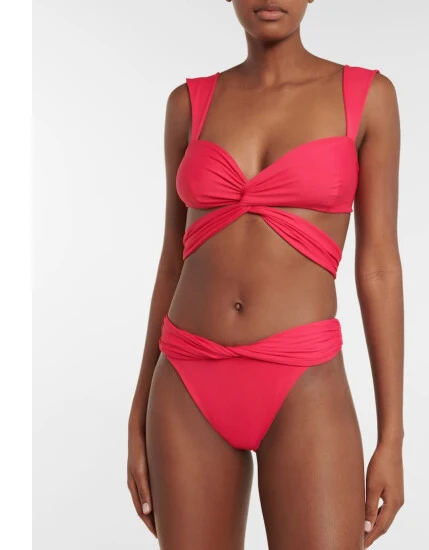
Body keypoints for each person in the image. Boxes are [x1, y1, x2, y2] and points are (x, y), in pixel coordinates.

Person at [127, 1, 404, 548]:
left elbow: (378, 268)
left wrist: (391, 438)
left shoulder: (368, 97)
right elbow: (172, 261)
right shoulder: (188, 105)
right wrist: (137, 415)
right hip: (186, 380)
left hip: (304, 381)